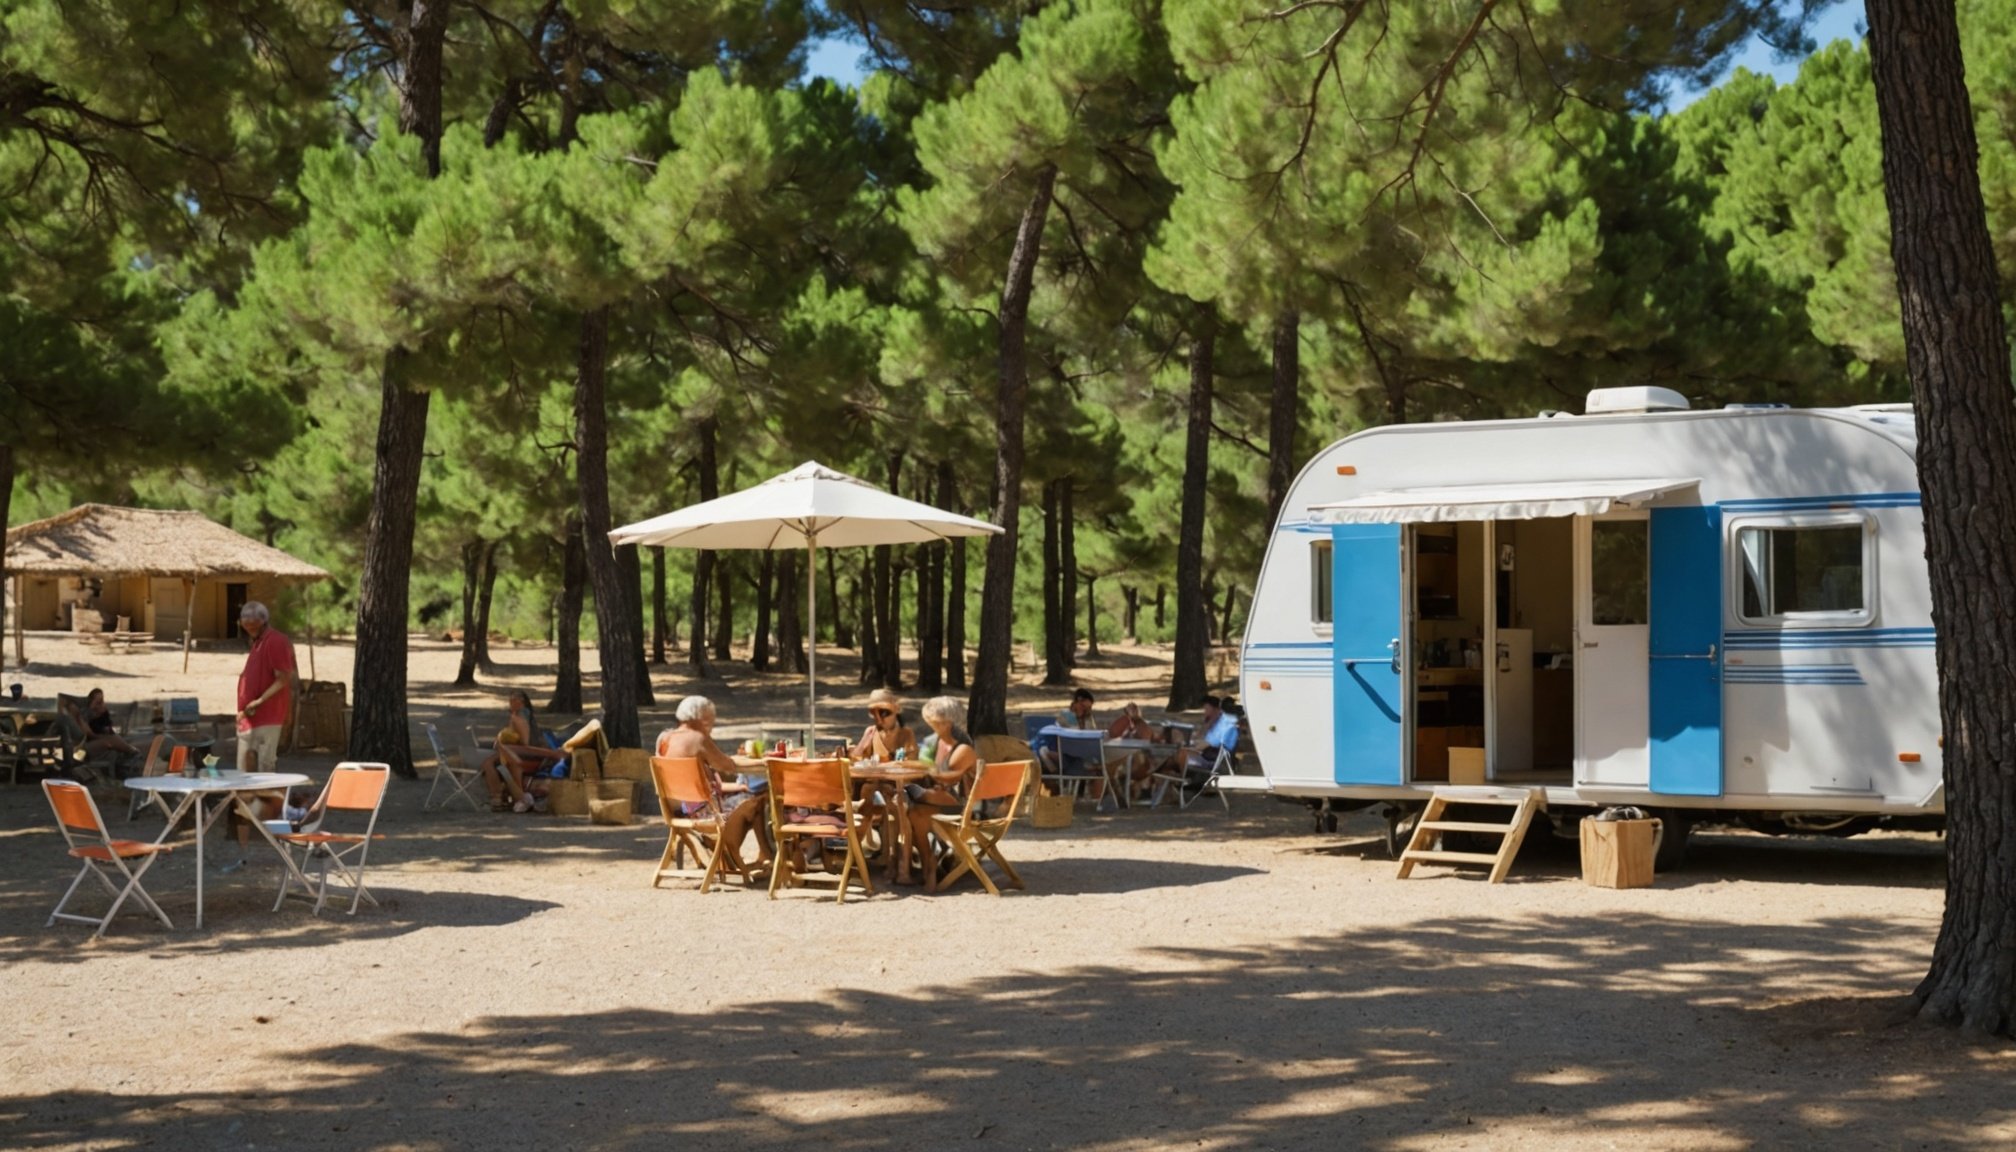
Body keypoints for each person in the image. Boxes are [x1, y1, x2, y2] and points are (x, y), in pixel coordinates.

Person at [656, 696, 770, 874]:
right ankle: (763, 855)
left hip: (679, 811)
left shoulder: (664, 738)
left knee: (744, 797)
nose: (711, 725)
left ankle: (727, 855)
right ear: (701, 719)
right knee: (759, 802)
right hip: (708, 814)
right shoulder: (698, 739)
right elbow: (727, 765)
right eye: (710, 720)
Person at [224, 601, 297, 872]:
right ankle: (244, 848)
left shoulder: (275, 641)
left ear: (262, 620)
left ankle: (273, 842)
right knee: (243, 782)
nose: (247, 625)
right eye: (244, 621)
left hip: (266, 718)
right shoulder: (257, 643)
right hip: (249, 719)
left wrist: (258, 701)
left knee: (265, 778)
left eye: (251, 621)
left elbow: (283, 678)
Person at [896, 695, 978, 891]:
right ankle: (928, 864)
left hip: (959, 807)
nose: (933, 726)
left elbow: (946, 777)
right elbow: (930, 769)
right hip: (939, 799)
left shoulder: (963, 748)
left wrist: (919, 768)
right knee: (913, 813)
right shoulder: (937, 743)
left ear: (948, 722)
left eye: (936, 723)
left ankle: (925, 866)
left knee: (904, 799)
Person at [481, 690, 569, 811]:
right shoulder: (518, 715)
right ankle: (499, 797)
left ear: (521, 701)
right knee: (491, 762)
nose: (510, 702)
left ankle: (498, 798)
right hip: (518, 752)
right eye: (510, 699)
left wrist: (503, 746)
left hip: (526, 755)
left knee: (490, 763)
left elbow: (525, 744)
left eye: (514, 699)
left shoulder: (520, 716)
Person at [1038, 687, 1110, 801]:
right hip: (1068, 754)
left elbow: (1092, 734)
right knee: (1045, 752)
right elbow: (1073, 735)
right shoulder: (1067, 716)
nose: (1088, 710)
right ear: (1079, 702)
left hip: (1083, 755)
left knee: (1098, 765)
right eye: (1085, 707)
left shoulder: (1088, 718)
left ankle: (1091, 797)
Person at [852, 688, 919, 762]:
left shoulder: (906, 734)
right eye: (874, 714)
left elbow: (912, 761)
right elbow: (856, 759)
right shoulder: (871, 733)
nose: (879, 720)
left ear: (895, 712)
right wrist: (862, 745)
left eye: (884, 713)